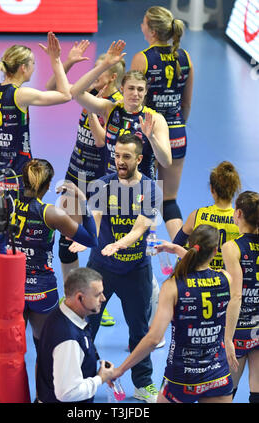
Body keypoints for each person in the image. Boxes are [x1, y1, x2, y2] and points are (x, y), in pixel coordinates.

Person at [0, 32, 71, 333]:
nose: (36, 68)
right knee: (20, 245)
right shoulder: (20, 95)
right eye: (34, 64)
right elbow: (63, 94)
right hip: (15, 183)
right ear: (23, 68)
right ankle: (20, 307)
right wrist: (58, 60)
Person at [75, 133, 162, 403]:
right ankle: (81, 377)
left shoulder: (150, 189)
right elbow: (97, 219)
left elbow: (139, 229)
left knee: (139, 330)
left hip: (137, 269)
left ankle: (143, 384)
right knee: (88, 324)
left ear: (138, 159)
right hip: (101, 268)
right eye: (117, 155)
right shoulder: (103, 184)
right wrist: (88, 239)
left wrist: (119, 244)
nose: (120, 161)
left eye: (126, 156)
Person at [47, 43, 125, 327]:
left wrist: (90, 106)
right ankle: (72, 294)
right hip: (74, 174)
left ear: (112, 77)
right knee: (66, 239)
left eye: (99, 74)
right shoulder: (90, 94)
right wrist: (63, 62)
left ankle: (96, 300)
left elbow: (103, 140)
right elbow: (62, 88)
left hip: (97, 182)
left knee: (95, 242)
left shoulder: (113, 105)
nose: (93, 79)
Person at [112, 225, 234, 403]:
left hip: (181, 378)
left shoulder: (173, 286)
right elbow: (202, 267)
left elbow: (153, 339)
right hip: (217, 374)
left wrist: (121, 369)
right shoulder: (225, 279)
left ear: (190, 245)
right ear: (216, 251)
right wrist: (178, 250)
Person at [8, 158, 98, 353]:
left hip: (11, 286)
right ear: (48, 185)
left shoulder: (8, 203)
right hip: (41, 289)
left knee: (11, 352)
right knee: (45, 348)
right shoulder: (51, 214)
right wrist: (82, 201)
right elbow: (91, 239)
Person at [131, 6, 194, 240]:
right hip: (177, 131)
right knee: (168, 201)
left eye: (144, 23)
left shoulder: (142, 58)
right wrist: (174, 128)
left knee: (140, 198)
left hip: (147, 133)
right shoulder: (185, 57)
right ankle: (184, 254)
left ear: (153, 31)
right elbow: (186, 105)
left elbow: (134, 102)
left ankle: (137, 255)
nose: (141, 26)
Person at [70, 40, 172, 182]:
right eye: (131, 88)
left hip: (142, 193)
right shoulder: (110, 109)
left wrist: (152, 138)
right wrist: (104, 65)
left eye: (140, 89)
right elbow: (76, 92)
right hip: (111, 188)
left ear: (146, 92)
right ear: (122, 89)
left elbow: (166, 162)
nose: (135, 93)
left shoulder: (155, 119)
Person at [36, 267, 114, 403]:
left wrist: (97, 371)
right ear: (80, 297)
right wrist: (99, 379)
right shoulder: (68, 339)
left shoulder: (66, 315)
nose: (103, 298)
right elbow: (67, 393)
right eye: (97, 295)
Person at [222, 191, 259, 403]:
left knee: (227, 390)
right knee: (257, 391)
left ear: (238, 214)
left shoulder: (232, 247)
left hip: (241, 329)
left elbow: (236, 295)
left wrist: (228, 338)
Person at [173, 161, 241, 270]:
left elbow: (176, 244)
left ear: (212, 189)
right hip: (228, 278)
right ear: (234, 189)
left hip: (200, 277)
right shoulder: (241, 220)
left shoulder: (197, 215)